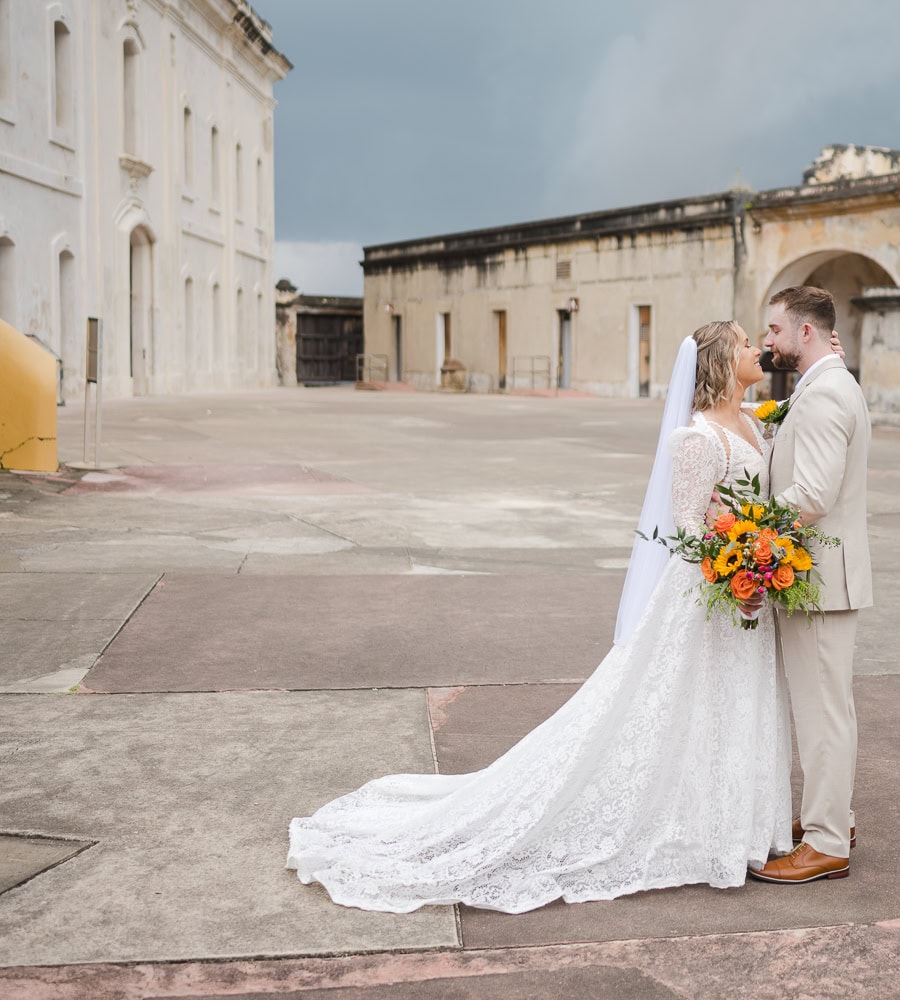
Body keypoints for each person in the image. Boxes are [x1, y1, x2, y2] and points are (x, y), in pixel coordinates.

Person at [287, 321, 794, 914]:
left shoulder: (756, 423)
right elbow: (684, 530)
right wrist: (733, 572)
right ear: (717, 361)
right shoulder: (697, 438)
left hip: (747, 593)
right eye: (741, 343)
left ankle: (728, 825)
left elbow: (787, 439)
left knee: (729, 707)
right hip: (708, 596)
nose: (755, 348)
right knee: (675, 709)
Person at [750, 286, 872, 885]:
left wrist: (749, 535)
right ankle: (833, 818)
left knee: (823, 712)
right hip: (822, 576)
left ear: (805, 332)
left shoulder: (824, 395)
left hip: (820, 578)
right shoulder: (827, 385)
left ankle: (826, 843)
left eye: (773, 330)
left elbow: (814, 495)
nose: (767, 341)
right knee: (827, 708)